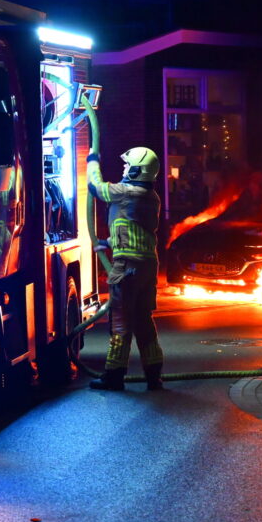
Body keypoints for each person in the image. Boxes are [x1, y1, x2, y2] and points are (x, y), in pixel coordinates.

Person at [87, 146, 165, 390]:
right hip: (147, 266)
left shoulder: (124, 192)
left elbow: (96, 187)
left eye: (127, 165)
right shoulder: (151, 198)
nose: (123, 168)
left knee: (120, 321)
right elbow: (132, 228)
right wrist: (106, 243)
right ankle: (154, 376)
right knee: (143, 320)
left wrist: (91, 161)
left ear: (136, 171)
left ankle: (114, 376)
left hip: (127, 268)